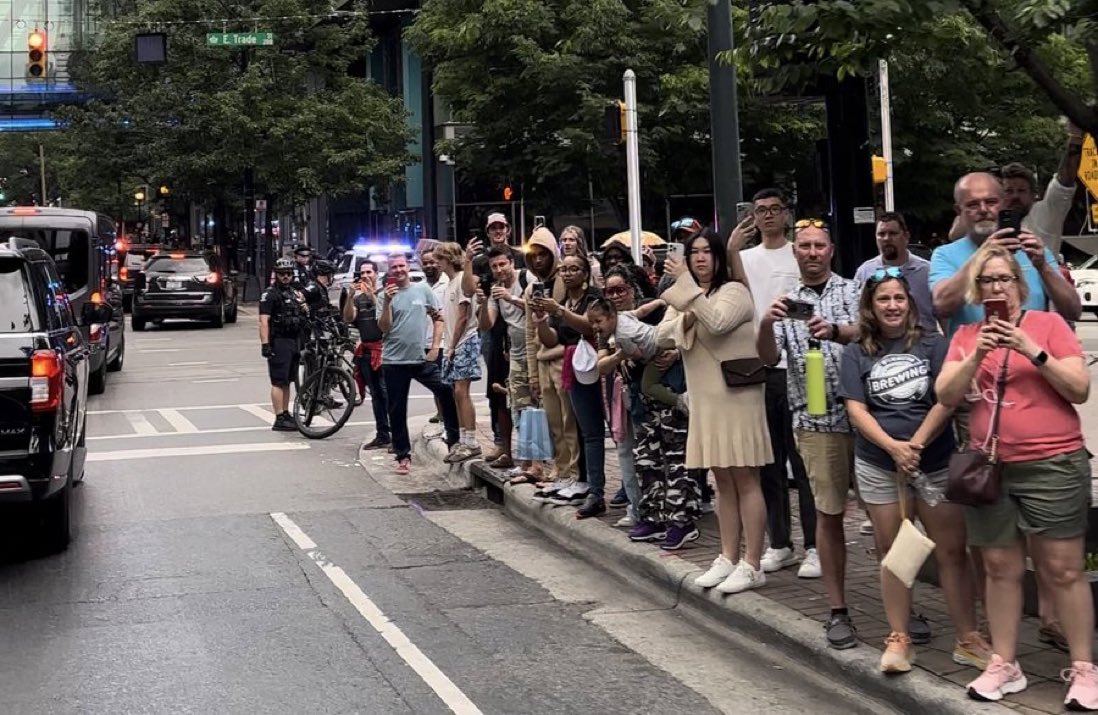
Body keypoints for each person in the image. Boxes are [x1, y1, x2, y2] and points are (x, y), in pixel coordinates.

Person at [936, 244, 1096, 708]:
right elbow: (945, 394)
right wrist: (975, 355)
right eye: (987, 281)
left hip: (1052, 463)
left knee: (1063, 569)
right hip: (990, 469)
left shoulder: (1048, 326)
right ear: (976, 290)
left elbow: (1080, 389)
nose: (996, 288)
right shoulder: (967, 334)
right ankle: (1004, 662)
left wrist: (1030, 348)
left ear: (1020, 285)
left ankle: (1085, 668)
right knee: (1000, 568)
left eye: (1004, 279)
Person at [839, 268, 991, 674]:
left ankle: (968, 637)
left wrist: (916, 445)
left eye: (898, 298)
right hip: (879, 466)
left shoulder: (934, 344)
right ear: (871, 307)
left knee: (952, 552)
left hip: (934, 463)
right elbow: (856, 409)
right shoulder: (856, 352)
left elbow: (946, 400)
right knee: (894, 555)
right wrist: (892, 448)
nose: (892, 306)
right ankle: (899, 636)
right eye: (883, 299)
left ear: (910, 303)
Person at [755, 221, 862, 648]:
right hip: (815, 422)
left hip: (865, 416)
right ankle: (837, 609)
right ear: (795, 253)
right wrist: (766, 322)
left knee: (888, 518)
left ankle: (904, 603)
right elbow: (768, 357)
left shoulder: (853, 291)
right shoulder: (786, 302)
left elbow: (872, 335)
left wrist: (835, 331)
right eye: (805, 246)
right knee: (828, 517)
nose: (812, 252)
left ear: (831, 249)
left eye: (819, 245)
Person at [660, 228, 773, 588]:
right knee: (722, 480)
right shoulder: (692, 296)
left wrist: (687, 297)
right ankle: (728, 555)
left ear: (721, 257)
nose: (699, 259)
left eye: (708, 252)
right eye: (694, 253)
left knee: (745, 477)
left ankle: (752, 563)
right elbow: (663, 334)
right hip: (706, 400)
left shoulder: (735, 291)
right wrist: (687, 309)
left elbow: (718, 321)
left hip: (737, 398)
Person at [728, 189, 818, 579]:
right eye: (759, 210)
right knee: (768, 462)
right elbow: (738, 299)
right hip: (758, 367)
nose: (766, 216)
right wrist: (732, 249)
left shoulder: (799, 253)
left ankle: (814, 545)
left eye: (773, 210)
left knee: (803, 461)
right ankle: (780, 543)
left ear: (786, 215)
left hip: (797, 366)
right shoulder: (744, 258)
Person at [931, 172, 1080, 339]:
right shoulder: (945, 254)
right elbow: (942, 306)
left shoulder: (1033, 249)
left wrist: (1043, 266)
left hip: (1031, 358)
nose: (983, 210)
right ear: (959, 211)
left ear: (1004, 204)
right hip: (973, 360)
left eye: (991, 202)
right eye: (973, 205)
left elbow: (1073, 311)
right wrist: (982, 254)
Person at [531, 253, 605, 517]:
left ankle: (593, 487)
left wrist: (559, 311)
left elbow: (592, 327)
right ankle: (582, 482)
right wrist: (540, 320)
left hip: (596, 367)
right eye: (564, 269)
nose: (568, 273)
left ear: (585, 274)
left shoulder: (594, 297)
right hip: (572, 368)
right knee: (574, 427)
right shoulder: (562, 302)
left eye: (574, 269)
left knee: (594, 431)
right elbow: (552, 339)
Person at [377, 253, 460, 475]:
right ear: (389, 270)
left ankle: (454, 439)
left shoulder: (423, 290)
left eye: (402, 266)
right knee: (396, 409)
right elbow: (384, 328)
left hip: (420, 358)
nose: (399, 270)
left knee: (445, 389)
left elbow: (438, 318)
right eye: (394, 267)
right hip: (393, 361)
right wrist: (386, 302)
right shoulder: (383, 295)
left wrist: (435, 348)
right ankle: (403, 455)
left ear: (408, 267)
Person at [524, 228, 583, 504]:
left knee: (569, 420)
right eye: (533, 256)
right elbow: (529, 333)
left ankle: (573, 472)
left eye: (543, 254)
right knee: (554, 423)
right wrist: (533, 374)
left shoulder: (564, 280)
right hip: (543, 361)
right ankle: (561, 470)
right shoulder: (530, 288)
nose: (538, 261)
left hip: (565, 356)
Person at [479, 245, 531, 472]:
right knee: (510, 402)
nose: (499, 270)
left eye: (502, 264)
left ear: (511, 262)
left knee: (533, 405)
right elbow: (487, 323)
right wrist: (482, 303)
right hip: (514, 350)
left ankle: (535, 459)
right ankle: (512, 453)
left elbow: (540, 307)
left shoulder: (526, 278)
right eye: (494, 266)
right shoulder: (495, 289)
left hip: (535, 347)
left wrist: (511, 298)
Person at [433, 242, 483, 463]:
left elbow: (464, 315)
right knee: (456, 391)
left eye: (439, 259)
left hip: (464, 340)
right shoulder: (449, 283)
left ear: (448, 259)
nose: (436, 263)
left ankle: (471, 441)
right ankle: (463, 439)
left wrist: (452, 345)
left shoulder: (462, 278)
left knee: (462, 391)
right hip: (454, 341)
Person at [853, 212, 938, 333]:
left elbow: (943, 315)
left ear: (906, 237)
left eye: (893, 233)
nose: (887, 238)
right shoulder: (865, 272)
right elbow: (858, 315)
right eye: (881, 234)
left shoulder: (927, 271)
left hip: (924, 344)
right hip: (880, 346)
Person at [343, 260, 390, 450]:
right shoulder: (358, 298)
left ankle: (396, 433)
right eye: (362, 272)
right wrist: (350, 296)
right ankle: (382, 434)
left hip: (384, 351)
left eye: (369, 272)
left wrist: (371, 294)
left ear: (376, 273)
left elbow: (385, 318)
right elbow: (348, 317)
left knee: (388, 394)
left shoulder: (384, 294)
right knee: (376, 395)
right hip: (366, 351)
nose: (365, 276)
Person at [258, 258, 308, 431]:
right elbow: (264, 321)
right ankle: (279, 416)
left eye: (288, 273)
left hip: (294, 340)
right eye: (281, 274)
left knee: (288, 380)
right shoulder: (270, 295)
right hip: (279, 340)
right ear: (276, 275)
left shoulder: (295, 293)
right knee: (279, 380)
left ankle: (285, 413)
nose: (285, 276)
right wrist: (265, 344)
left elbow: (304, 314)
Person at [420, 249, 450, 425]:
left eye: (432, 262)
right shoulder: (421, 287)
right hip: (426, 339)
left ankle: (449, 414)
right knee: (434, 383)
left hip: (444, 341)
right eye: (425, 263)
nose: (429, 266)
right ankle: (440, 412)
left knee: (445, 382)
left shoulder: (448, 284)